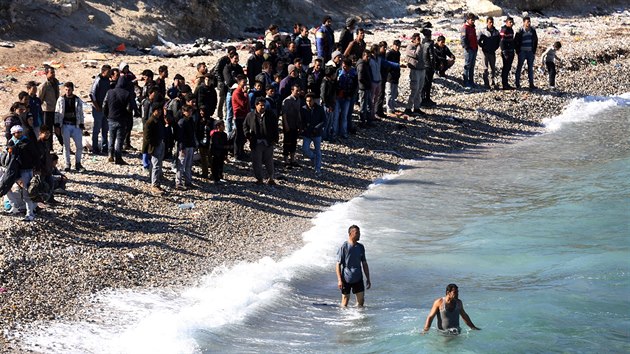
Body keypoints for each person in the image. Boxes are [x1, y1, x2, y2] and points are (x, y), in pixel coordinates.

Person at [3, 125, 39, 221]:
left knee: (27, 192)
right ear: (13, 134)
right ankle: (14, 207)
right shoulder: (10, 143)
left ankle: (30, 213)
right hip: (12, 170)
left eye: (20, 132)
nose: (18, 134)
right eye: (16, 132)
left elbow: (35, 156)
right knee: (6, 187)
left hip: (26, 170)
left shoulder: (26, 143)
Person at [243, 97, 279, 185]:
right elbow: (245, 126)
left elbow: (275, 128)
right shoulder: (250, 115)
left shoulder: (270, 115)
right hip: (256, 142)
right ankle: (259, 179)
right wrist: (248, 136)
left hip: (268, 142)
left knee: (269, 161)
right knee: (257, 162)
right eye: (261, 105)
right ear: (256, 105)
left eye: (264, 105)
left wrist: (275, 139)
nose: (263, 107)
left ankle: (271, 178)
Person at [336, 225, 371, 307]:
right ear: (350, 233)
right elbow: (338, 264)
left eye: (359, 233)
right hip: (346, 278)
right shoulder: (343, 247)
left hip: (358, 278)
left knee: (361, 302)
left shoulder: (361, 247)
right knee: (345, 303)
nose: (359, 234)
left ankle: (358, 318)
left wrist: (368, 278)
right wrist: (339, 280)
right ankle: (344, 318)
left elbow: (364, 263)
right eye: (357, 233)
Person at [54, 82, 85, 172]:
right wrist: (57, 125)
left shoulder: (77, 100)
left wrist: (81, 124)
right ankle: (67, 164)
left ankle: (78, 163)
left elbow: (81, 112)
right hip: (65, 125)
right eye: (66, 89)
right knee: (66, 146)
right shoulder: (61, 99)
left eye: (69, 89)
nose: (67, 91)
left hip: (76, 126)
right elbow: (57, 112)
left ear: (72, 89)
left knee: (79, 146)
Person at [142, 102, 166, 194]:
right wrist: (155, 144)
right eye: (158, 110)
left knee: (156, 164)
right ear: (154, 111)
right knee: (156, 165)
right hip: (155, 146)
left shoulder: (158, 120)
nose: (159, 112)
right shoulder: (150, 122)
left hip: (159, 144)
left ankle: (156, 182)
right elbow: (147, 137)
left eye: (160, 110)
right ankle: (154, 185)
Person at [300, 93, 325, 175]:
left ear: (314, 101)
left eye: (310, 101)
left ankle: (318, 168)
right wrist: (304, 128)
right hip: (307, 133)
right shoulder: (303, 109)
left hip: (317, 133)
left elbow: (324, 120)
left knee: (318, 150)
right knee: (305, 149)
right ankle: (313, 157)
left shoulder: (320, 109)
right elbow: (301, 121)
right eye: (307, 101)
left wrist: (317, 128)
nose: (308, 102)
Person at [39, 66, 62, 151]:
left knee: (57, 128)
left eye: (53, 72)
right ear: (46, 73)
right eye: (51, 73)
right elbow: (40, 98)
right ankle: (48, 147)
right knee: (47, 130)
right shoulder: (44, 85)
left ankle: (63, 145)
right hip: (47, 110)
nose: (53, 74)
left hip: (55, 110)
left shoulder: (56, 83)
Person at [89, 65, 111, 155]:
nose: (110, 74)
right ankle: (95, 148)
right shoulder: (98, 80)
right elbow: (92, 94)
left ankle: (104, 147)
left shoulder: (107, 80)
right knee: (97, 129)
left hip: (105, 108)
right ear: (103, 72)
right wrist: (96, 106)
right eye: (108, 72)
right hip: (98, 109)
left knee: (105, 129)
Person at [514, 16, 539, 90]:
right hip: (522, 52)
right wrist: (518, 51)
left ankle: (531, 84)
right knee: (519, 67)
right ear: (523, 22)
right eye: (527, 22)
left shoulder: (532, 30)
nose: (528, 23)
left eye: (529, 22)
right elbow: (516, 41)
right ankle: (517, 83)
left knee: (530, 68)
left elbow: (535, 40)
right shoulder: (520, 30)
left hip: (530, 52)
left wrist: (534, 51)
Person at [404, 33, 425, 116]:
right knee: (414, 89)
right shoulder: (410, 47)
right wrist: (419, 46)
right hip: (414, 70)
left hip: (422, 69)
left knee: (419, 89)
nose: (418, 40)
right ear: (413, 39)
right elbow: (416, 54)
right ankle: (408, 107)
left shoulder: (421, 46)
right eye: (417, 38)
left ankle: (417, 107)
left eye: (419, 38)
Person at [282, 85, 302, 168]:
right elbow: (284, 114)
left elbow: (298, 112)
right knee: (287, 142)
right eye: (296, 90)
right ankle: (286, 160)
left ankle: (292, 159)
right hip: (288, 124)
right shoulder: (287, 101)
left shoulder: (298, 100)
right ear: (292, 90)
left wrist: (300, 124)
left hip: (295, 124)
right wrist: (286, 125)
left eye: (299, 91)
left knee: (294, 142)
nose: (298, 92)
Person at [478, 16, 501, 88]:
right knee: (485, 68)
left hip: (492, 52)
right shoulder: (483, 31)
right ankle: (486, 83)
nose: (491, 24)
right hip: (484, 52)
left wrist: (495, 48)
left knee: (493, 68)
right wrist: (483, 46)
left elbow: (498, 41)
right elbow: (478, 40)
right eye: (489, 22)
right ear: (487, 23)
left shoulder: (496, 32)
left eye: (492, 22)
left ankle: (492, 82)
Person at [231, 75, 250, 161]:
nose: (245, 84)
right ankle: (236, 153)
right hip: (239, 117)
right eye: (244, 82)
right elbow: (243, 104)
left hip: (244, 116)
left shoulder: (241, 92)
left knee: (243, 135)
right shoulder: (237, 93)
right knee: (238, 136)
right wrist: (246, 94)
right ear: (239, 83)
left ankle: (241, 152)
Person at [460, 13, 479, 89]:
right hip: (469, 50)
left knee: (472, 66)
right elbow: (463, 39)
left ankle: (471, 81)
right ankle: (465, 82)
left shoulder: (473, 27)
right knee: (467, 65)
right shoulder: (465, 28)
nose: (473, 21)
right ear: (468, 20)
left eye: (474, 20)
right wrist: (467, 48)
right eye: (472, 20)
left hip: (474, 48)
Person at [384, 40, 401, 114]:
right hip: (389, 76)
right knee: (389, 93)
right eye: (396, 45)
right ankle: (389, 109)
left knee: (394, 93)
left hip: (396, 75)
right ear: (393, 45)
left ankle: (392, 108)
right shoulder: (389, 54)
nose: (397, 47)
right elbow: (386, 64)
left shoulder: (398, 53)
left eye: (399, 46)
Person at [499, 17, 516, 90]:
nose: (511, 24)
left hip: (511, 51)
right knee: (505, 68)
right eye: (510, 22)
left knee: (508, 68)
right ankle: (504, 84)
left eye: (512, 22)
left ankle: (506, 83)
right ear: (506, 22)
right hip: (506, 52)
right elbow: (502, 42)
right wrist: (504, 52)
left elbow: (512, 41)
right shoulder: (504, 29)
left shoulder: (511, 30)